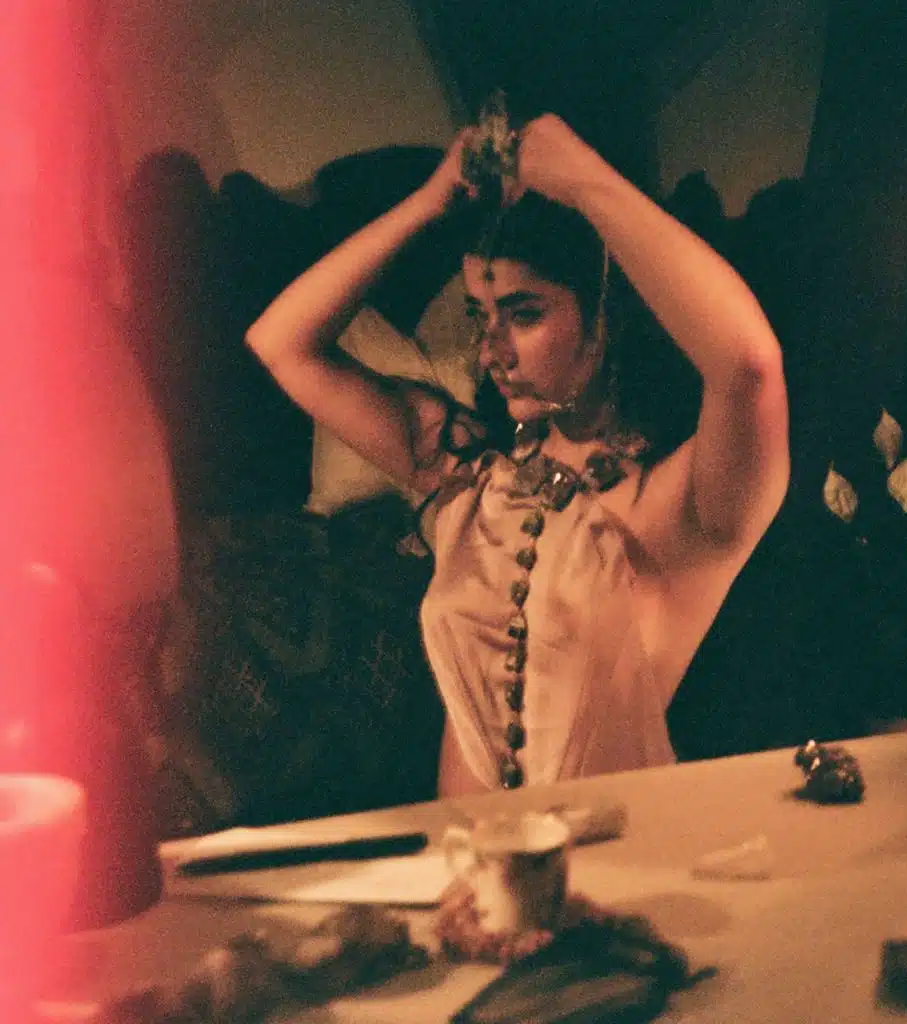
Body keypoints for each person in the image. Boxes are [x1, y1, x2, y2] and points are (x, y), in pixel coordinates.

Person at [246, 114, 790, 797]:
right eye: (480, 317)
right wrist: (428, 204)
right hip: (463, 859)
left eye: (524, 314)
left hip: (609, 855)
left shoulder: (679, 502)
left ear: (607, 317)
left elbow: (748, 365)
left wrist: (587, 182)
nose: (490, 352)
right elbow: (281, 343)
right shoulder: (471, 476)